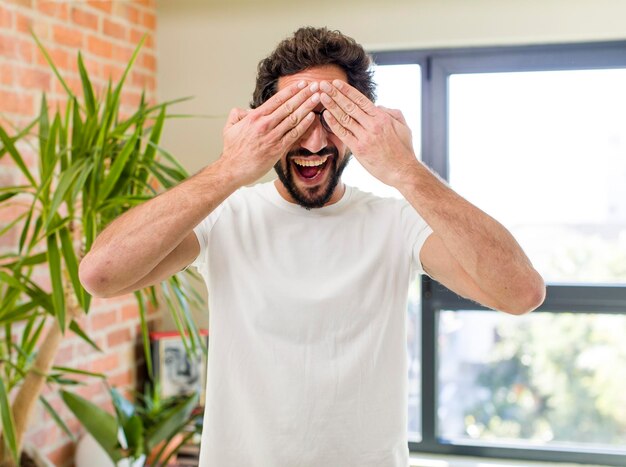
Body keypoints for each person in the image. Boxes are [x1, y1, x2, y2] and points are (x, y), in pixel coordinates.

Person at [79, 27, 545, 467]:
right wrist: (229, 169)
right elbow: (100, 274)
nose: (315, 140)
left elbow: (521, 292)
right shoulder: (224, 216)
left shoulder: (396, 222)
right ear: (263, 123)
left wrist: (406, 170)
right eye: (293, 119)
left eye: (333, 118)